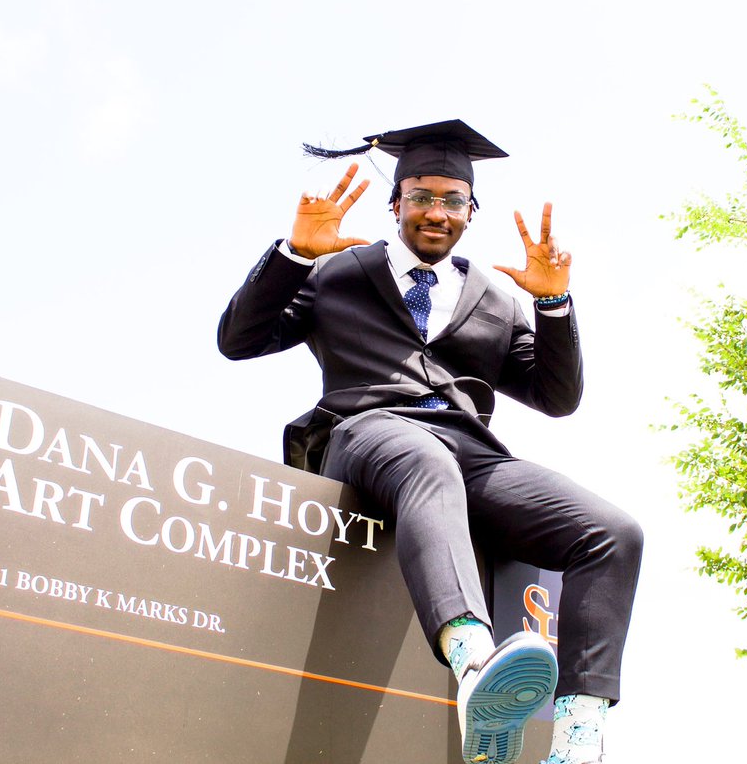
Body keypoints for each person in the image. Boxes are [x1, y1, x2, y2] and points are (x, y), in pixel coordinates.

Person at [217, 120, 642, 764]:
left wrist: (553, 305)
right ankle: (477, 672)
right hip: (367, 430)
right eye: (420, 197)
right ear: (395, 205)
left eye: (451, 200)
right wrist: (296, 253)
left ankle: (576, 736)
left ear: (472, 212)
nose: (435, 212)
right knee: (427, 462)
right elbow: (238, 341)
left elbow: (556, 398)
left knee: (613, 532)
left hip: (469, 449)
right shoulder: (338, 273)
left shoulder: (496, 298)